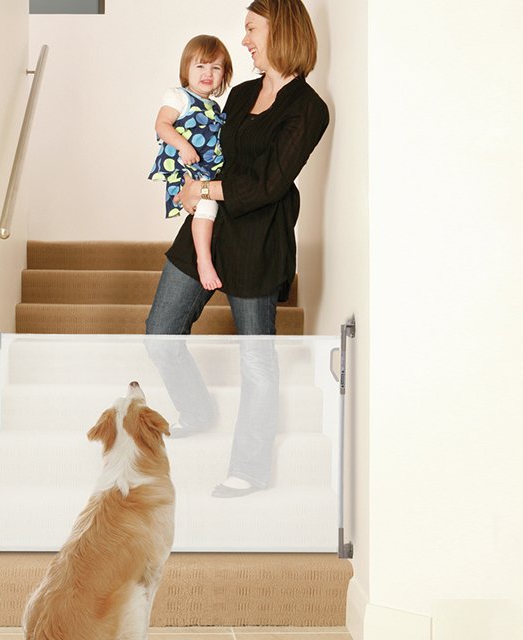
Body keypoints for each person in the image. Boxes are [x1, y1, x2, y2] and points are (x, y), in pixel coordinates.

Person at [145, 0, 329, 497]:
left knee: (256, 359)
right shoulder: (242, 92)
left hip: (257, 241)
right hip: (210, 227)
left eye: (251, 29)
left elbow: (268, 184)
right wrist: (183, 167)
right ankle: (199, 410)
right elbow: (211, 151)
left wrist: (204, 190)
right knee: (160, 333)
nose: (244, 41)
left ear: (282, 32)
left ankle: (249, 467)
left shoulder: (309, 109)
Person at [148, 35, 233, 290]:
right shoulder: (179, 97)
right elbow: (162, 125)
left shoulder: (214, 107)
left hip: (203, 169)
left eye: (215, 67)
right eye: (200, 66)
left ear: (224, 75)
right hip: (184, 165)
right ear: (186, 69)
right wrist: (183, 145)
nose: (208, 73)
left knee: (212, 206)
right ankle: (203, 261)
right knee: (208, 207)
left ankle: (206, 256)